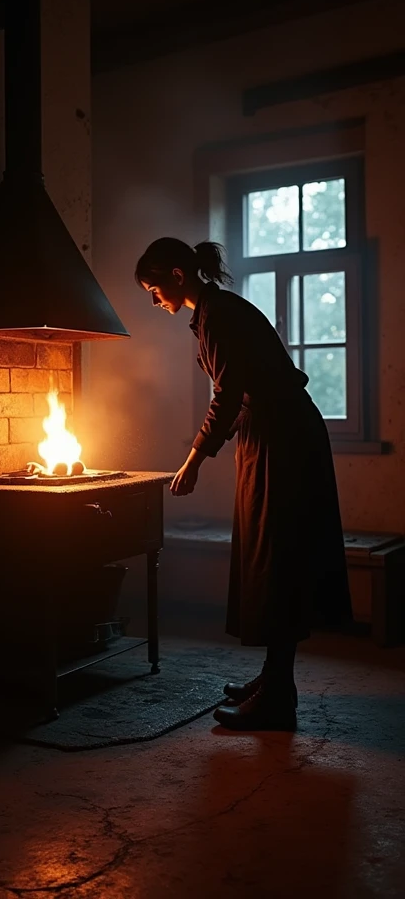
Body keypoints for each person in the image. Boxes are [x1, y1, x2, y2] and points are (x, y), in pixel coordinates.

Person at [135, 237, 352, 731]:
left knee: (277, 559)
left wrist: (193, 460)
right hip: (275, 433)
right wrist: (214, 444)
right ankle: (276, 678)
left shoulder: (216, 314)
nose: (154, 300)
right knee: (271, 557)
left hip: (282, 440)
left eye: (154, 288)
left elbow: (228, 394)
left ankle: (279, 696)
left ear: (176, 275)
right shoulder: (214, 311)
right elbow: (238, 397)